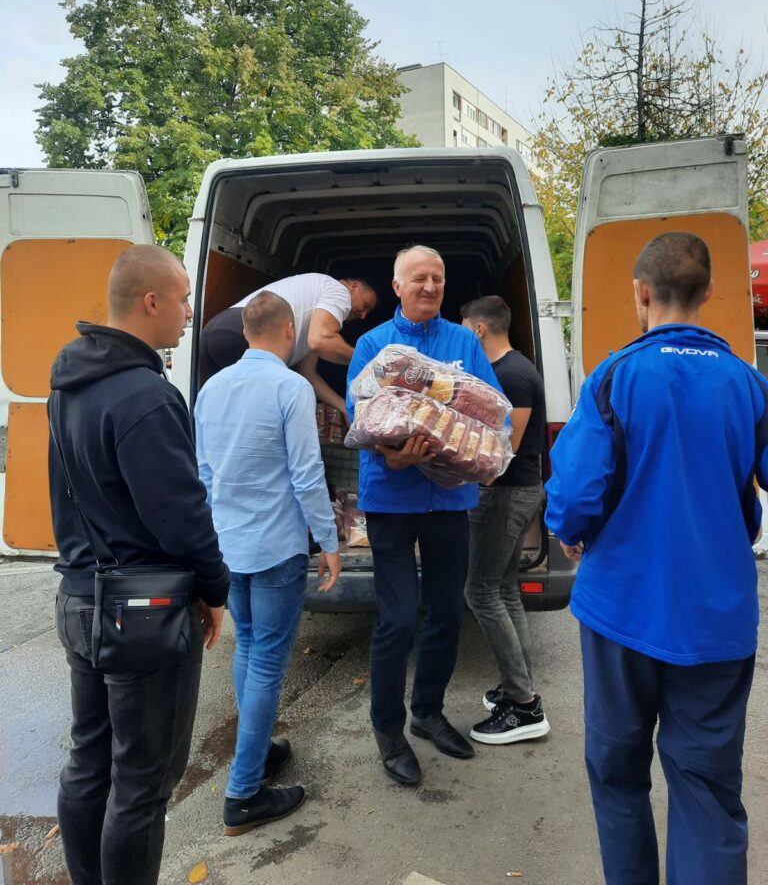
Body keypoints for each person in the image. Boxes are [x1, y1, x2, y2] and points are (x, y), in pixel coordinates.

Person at [545, 232, 766, 885]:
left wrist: (569, 529)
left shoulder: (613, 378)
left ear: (640, 292)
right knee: (707, 788)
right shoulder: (749, 384)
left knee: (618, 772)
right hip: (718, 617)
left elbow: (575, 496)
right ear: (709, 291)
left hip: (622, 610)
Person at [48, 244, 230, 885]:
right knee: (142, 782)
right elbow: (180, 515)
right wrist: (214, 588)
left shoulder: (69, 384)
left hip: (81, 598)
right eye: (183, 299)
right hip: (142, 613)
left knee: (90, 762)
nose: (189, 313)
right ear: (151, 302)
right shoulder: (146, 396)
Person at [346, 245, 504, 786]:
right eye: (419, 279)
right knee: (396, 620)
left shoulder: (464, 341)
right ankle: (388, 730)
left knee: (447, 613)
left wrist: (485, 453)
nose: (430, 287)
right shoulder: (374, 345)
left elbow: (490, 407)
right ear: (397, 286)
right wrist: (388, 454)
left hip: (450, 500)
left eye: (437, 278)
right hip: (391, 497)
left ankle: (428, 712)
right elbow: (360, 414)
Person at [195, 291, 342, 835]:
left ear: (245, 332)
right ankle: (243, 793)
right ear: (288, 331)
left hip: (228, 545)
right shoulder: (290, 387)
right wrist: (328, 541)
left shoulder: (211, 388)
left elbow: (203, 473)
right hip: (276, 546)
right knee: (266, 661)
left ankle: (256, 753)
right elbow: (306, 472)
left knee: (251, 646)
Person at [459, 295, 550, 744]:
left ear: (478, 329)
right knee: (505, 588)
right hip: (513, 492)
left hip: (505, 494)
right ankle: (518, 687)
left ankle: (524, 707)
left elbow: (502, 450)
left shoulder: (512, 374)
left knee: (479, 591)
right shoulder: (508, 369)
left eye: (463, 327)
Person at [199, 272, 378, 420]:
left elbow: (308, 374)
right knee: (259, 420)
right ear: (354, 287)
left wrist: (344, 408)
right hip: (245, 331)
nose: (363, 316)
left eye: (367, 313)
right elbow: (321, 340)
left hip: (214, 331)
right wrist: (369, 361)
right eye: (365, 305)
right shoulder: (339, 291)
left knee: (225, 415)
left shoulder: (316, 315)